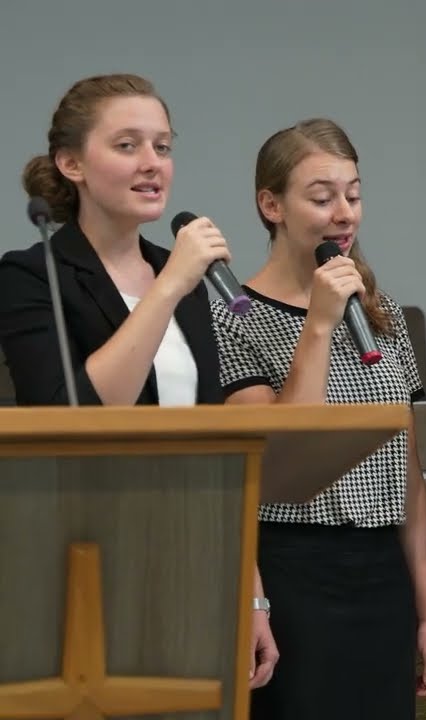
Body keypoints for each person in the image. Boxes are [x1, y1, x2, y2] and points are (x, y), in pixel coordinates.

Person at [0, 73, 279, 686]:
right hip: (84, 559)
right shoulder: (31, 275)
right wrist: (173, 282)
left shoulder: (182, 274)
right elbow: (74, 410)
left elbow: (220, 447)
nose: (152, 164)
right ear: (71, 163)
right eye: (127, 145)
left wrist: (252, 592)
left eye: (163, 146)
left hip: (195, 552)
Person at [211, 118, 426, 719]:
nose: (344, 213)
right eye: (321, 198)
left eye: (354, 194)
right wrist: (317, 324)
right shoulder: (229, 317)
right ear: (272, 205)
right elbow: (279, 458)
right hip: (292, 569)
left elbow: (408, 474)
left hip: (381, 572)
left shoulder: (382, 313)